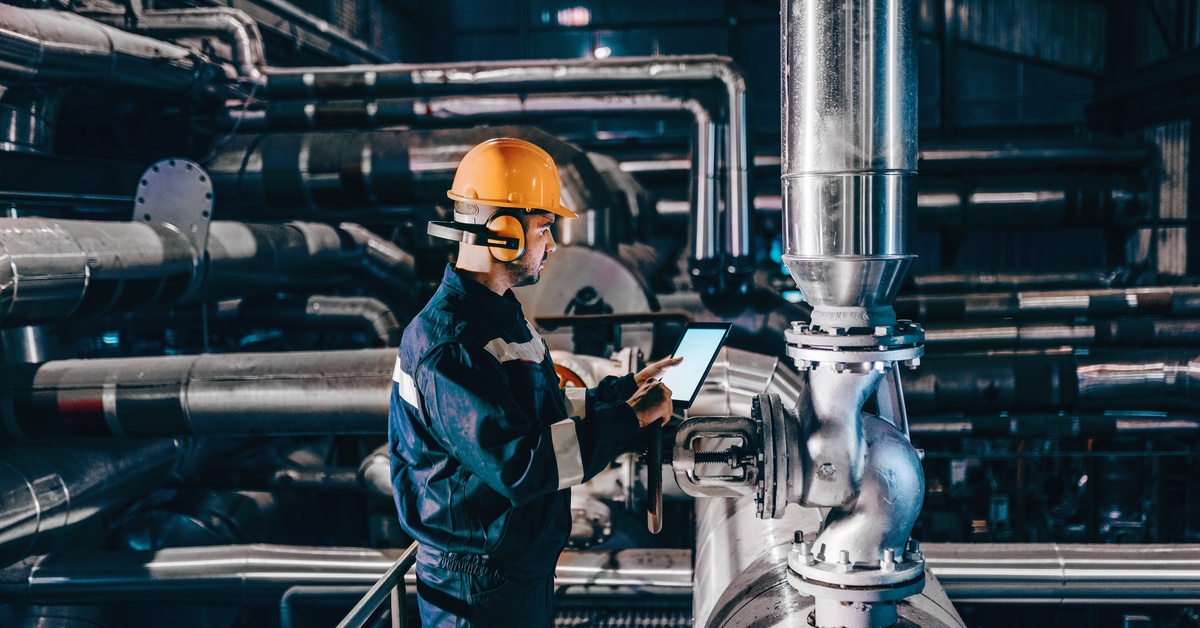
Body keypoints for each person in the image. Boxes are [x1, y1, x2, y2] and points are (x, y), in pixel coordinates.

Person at [389, 137, 679, 627]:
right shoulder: (453, 344)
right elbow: (522, 464)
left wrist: (620, 392)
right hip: (476, 588)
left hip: (508, 573)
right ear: (504, 232)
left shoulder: (496, 315)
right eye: (545, 228)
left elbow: (538, 407)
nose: (552, 244)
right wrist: (630, 419)